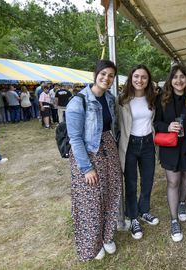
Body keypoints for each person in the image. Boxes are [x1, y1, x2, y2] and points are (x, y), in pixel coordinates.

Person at [65, 60, 122, 261]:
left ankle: (107, 236)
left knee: (111, 193)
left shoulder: (110, 98)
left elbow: (112, 128)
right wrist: (87, 168)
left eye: (111, 75)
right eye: (103, 74)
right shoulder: (77, 102)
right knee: (90, 200)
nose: (107, 78)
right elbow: (75, 138)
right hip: (88, 154)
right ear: (95, 74)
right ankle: (92, 242)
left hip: (109, 150)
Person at [118, 64, 159, 240]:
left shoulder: (153, 98)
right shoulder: (122, 100)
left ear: (148, 80)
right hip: (130, 145)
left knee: (148, 179)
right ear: (131, 78)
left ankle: (144, 211)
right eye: (136, 76)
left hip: (149, 143)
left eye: (143, 77)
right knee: (131, 182)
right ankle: (133, 217)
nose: (139, 80)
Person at [154, 65, 186, 242]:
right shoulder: (161, 99)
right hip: (169, 146)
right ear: (170, 80)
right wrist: (167, 126)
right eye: (175, 77)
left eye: (182, 76)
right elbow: (155, 123)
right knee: (173, 181)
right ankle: (174, 219)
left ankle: (183, 203)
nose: (179, 80)